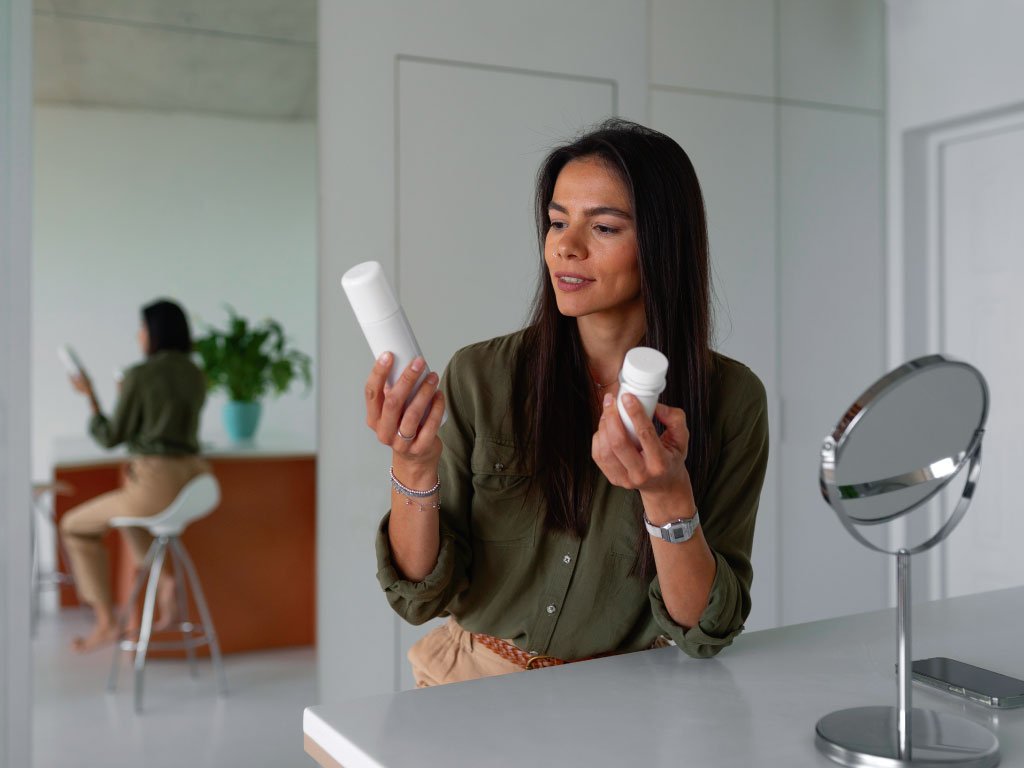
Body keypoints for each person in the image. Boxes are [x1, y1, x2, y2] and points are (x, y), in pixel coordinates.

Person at [364, 119, 769, 687]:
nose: (565, 246)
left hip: (620, 699)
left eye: (602, 227)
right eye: (557, 221)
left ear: (661, 242)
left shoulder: (731, 400)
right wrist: (411, 465)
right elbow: (419, 594)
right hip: (469, 685)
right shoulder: (483, 375)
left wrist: (665, 494)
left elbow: (705, 630)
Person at [61, 299, 209, 652]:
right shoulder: (195, 373)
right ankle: (167, 582)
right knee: (127, 518)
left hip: (156, 483)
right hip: (196, 477)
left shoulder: (140, 375)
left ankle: (106, 623)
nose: (139, 335)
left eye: (142, 328)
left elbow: (111, 436)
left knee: (73, 526)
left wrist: (92, 399)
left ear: (153, 333)